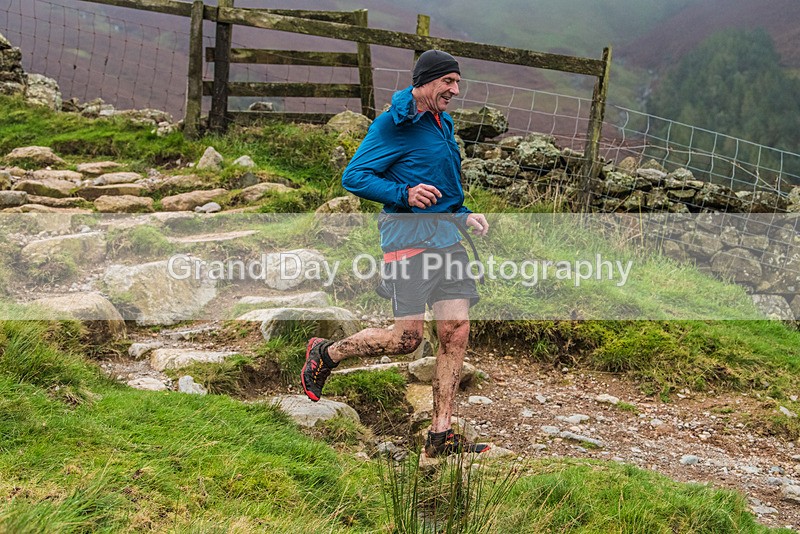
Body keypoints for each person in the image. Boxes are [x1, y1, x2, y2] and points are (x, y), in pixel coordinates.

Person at [301, 50, 490, 458]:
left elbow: (441, 182)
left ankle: (440, 435)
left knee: (456, 331)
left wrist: (464, 212)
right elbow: (354, 176)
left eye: (458, 83)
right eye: (448, 83)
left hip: (447, 239)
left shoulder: (443, 122)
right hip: (408, 239)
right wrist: (403, 194)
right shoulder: (392, 124)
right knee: (406, 340)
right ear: (425, 82)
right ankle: (326, 353)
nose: (455, 91)